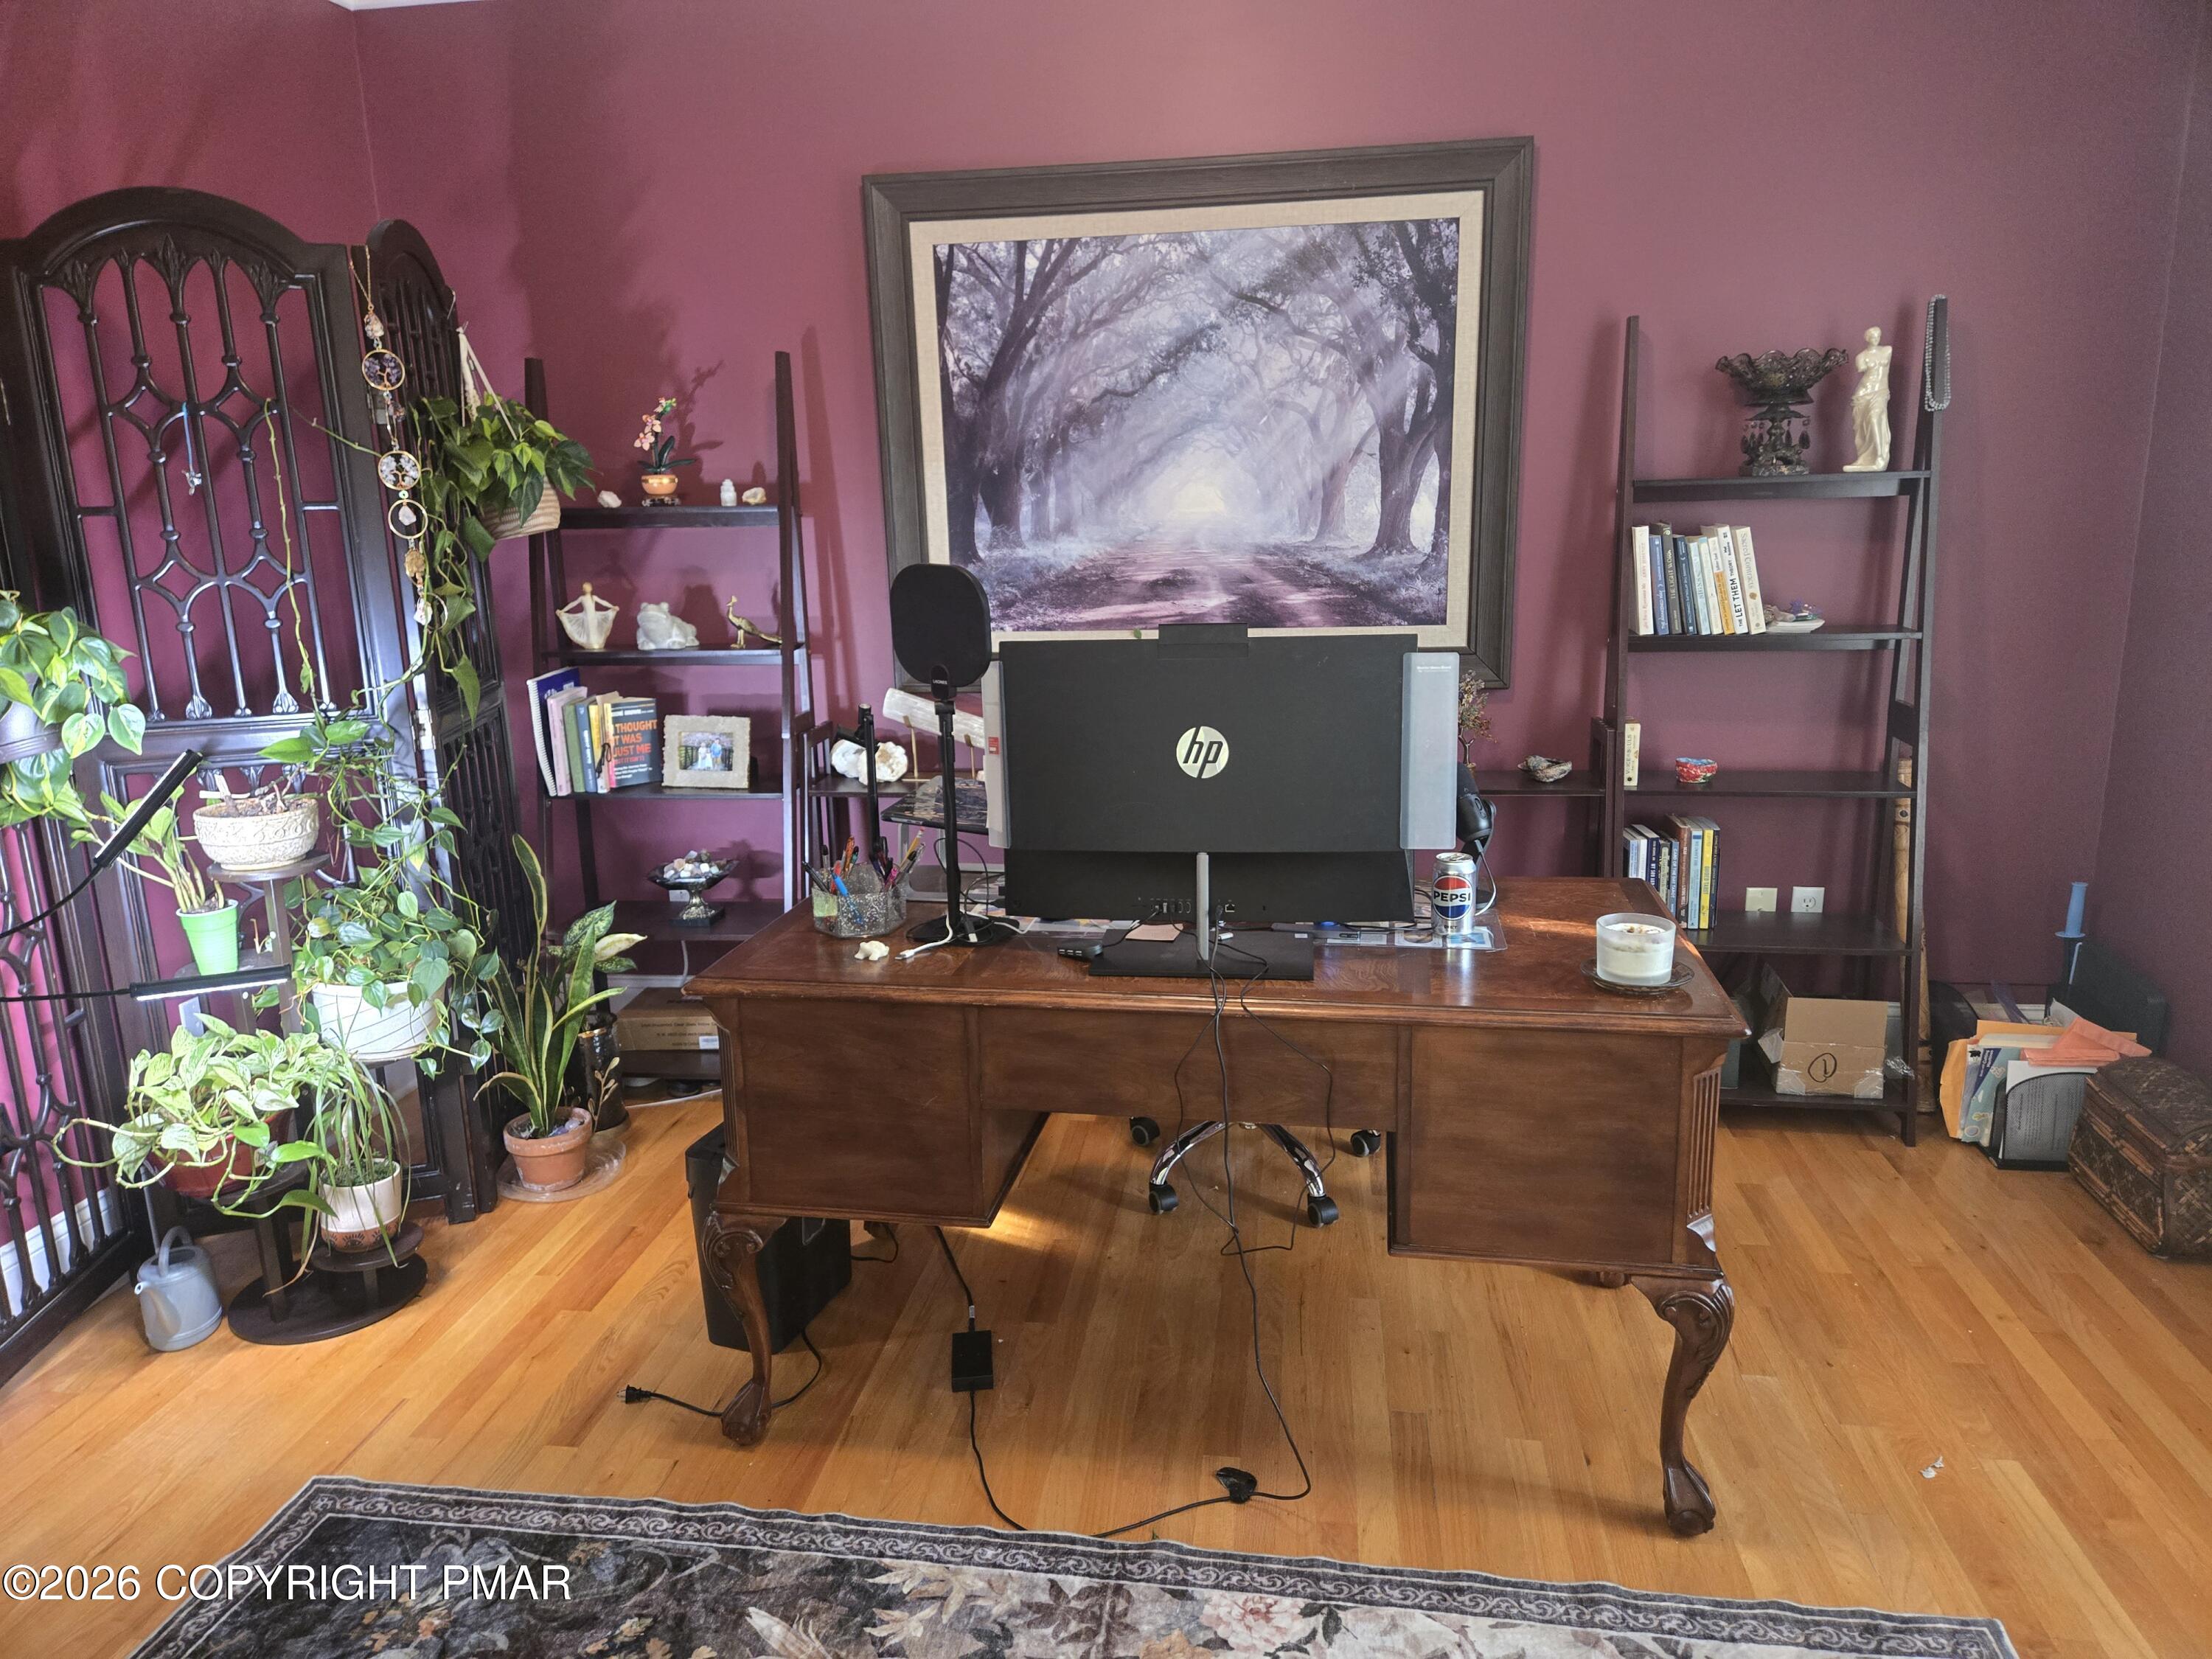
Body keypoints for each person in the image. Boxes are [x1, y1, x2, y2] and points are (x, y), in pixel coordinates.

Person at [1843, 327, 1893, 471]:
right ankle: (1864, 458)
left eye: (1878, 335)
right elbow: (1861, 370)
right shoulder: (1861, 357)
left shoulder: (1887, 350)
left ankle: (1880, 457)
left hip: (1880, 391)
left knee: (1874, 418)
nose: (1876, 338)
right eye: (1873, 336)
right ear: (1867, 338)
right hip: (1863, 392)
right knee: (1861, 426)